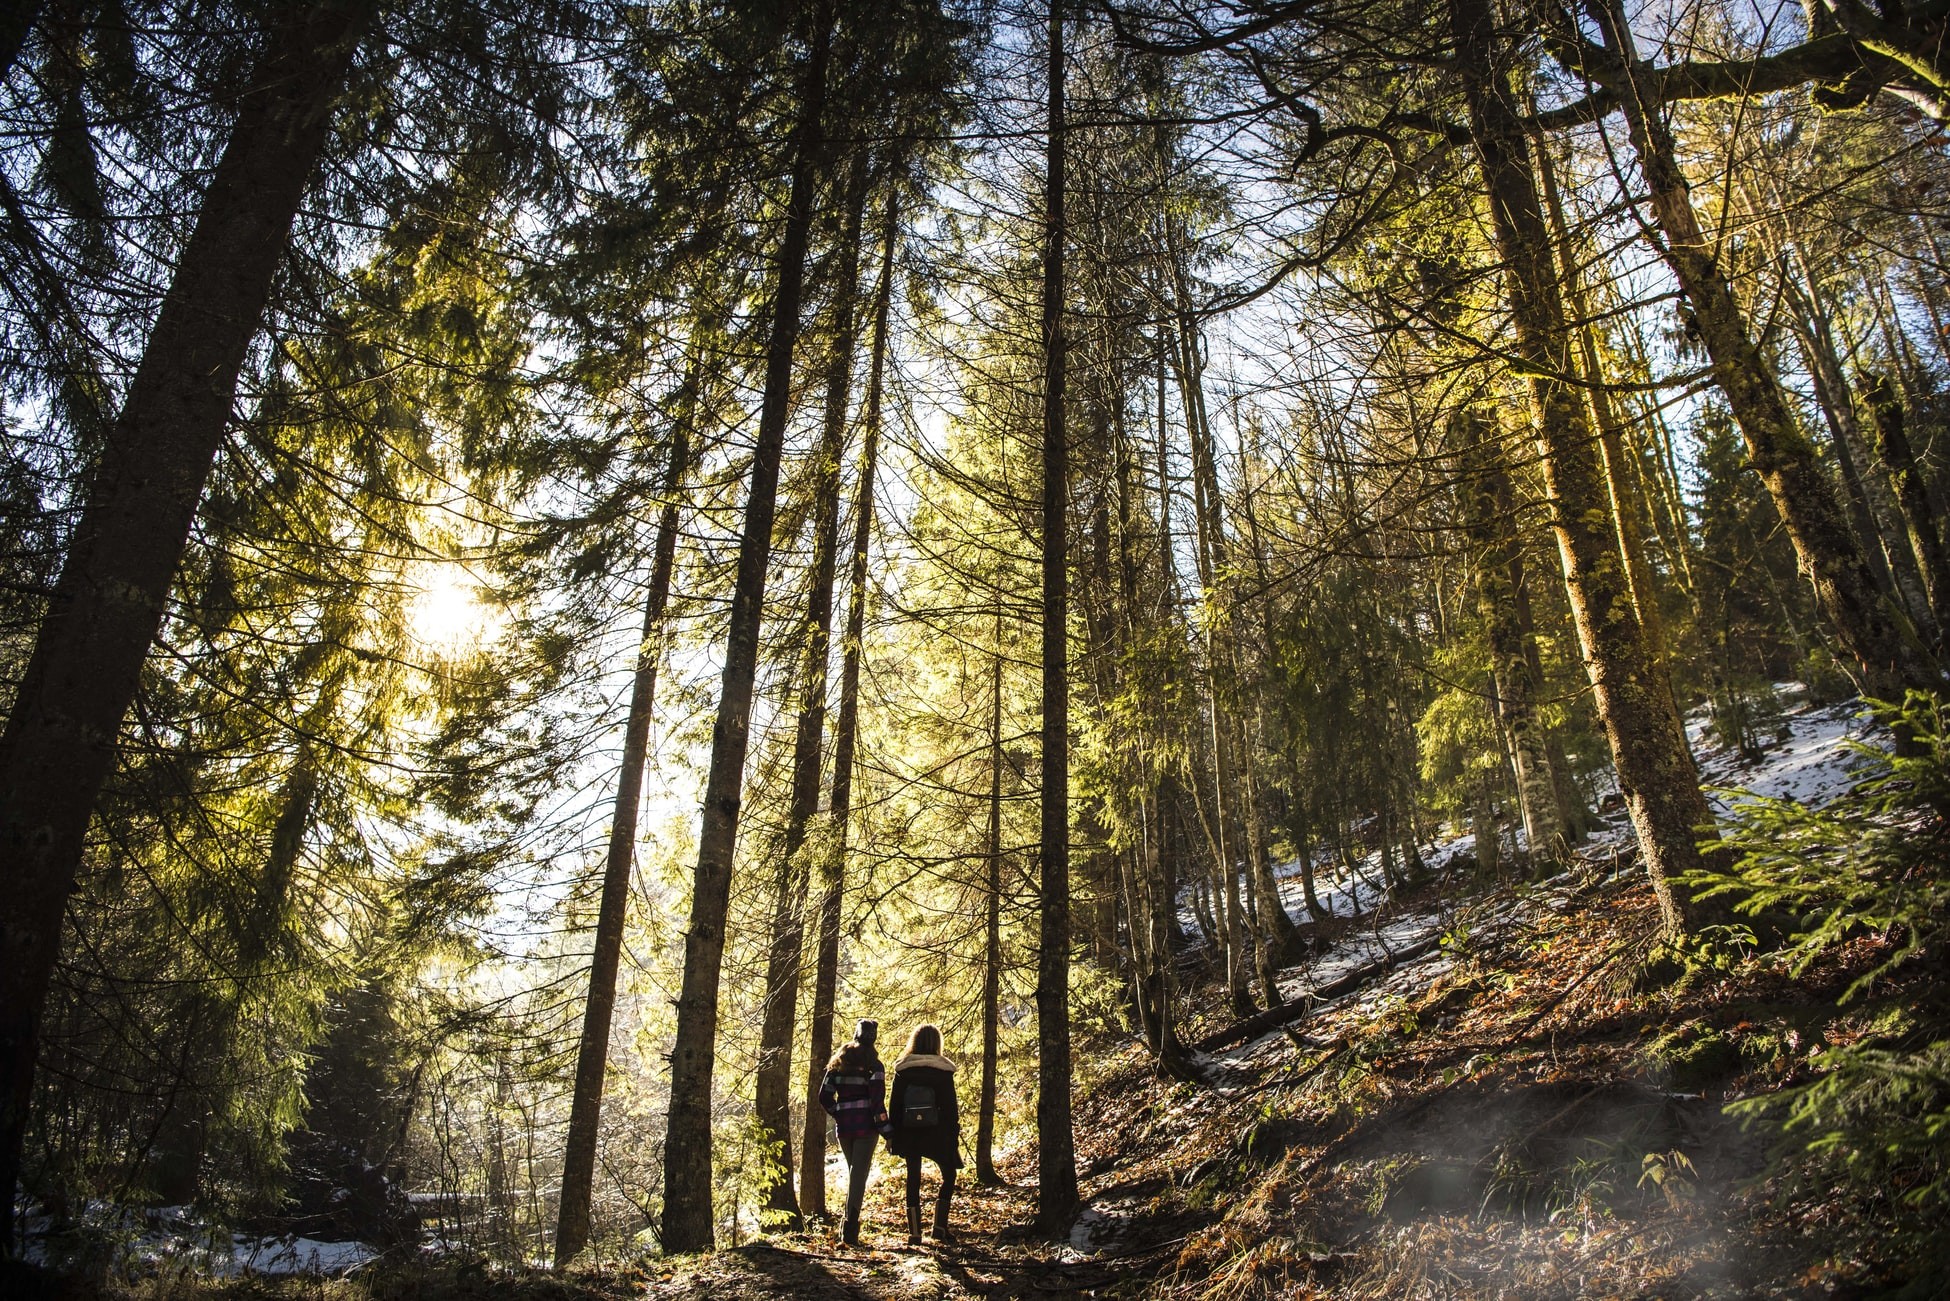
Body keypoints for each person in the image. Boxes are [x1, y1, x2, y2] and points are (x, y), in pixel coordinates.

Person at [816, 1019, 890, 1247]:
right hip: (866, 1128)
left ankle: (847, 1227)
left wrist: (838, 1112)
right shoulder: (874, 1067)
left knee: (853, 1174)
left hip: (845, 1128)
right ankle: (849, 1229)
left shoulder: (838, 1063)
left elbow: (824, 1096)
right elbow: (877, 1104)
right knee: (858, 1176)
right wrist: (888, 1132)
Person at [887, 1023, 962, 1245]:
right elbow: (950, 1107)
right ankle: (939, 1227)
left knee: (913, 1179)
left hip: (910, 1133)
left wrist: (893, 1134)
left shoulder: (903, 1070)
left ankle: (915, 1233)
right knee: (949, 1176)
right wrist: (953, 1134)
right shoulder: (943, 1071)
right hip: (938, 1133)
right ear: (937, 1043)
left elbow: (895, 1105)